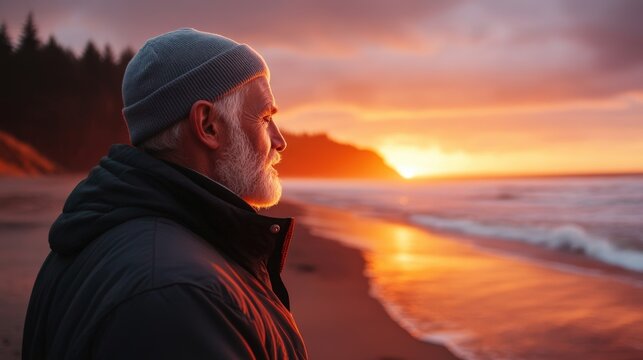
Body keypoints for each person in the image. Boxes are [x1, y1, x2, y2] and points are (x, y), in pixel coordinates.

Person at [22, 28, 308, 359]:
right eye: (264, 118)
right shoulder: (179, 296)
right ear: (208, 125)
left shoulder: (100, 234)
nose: (279, 140)